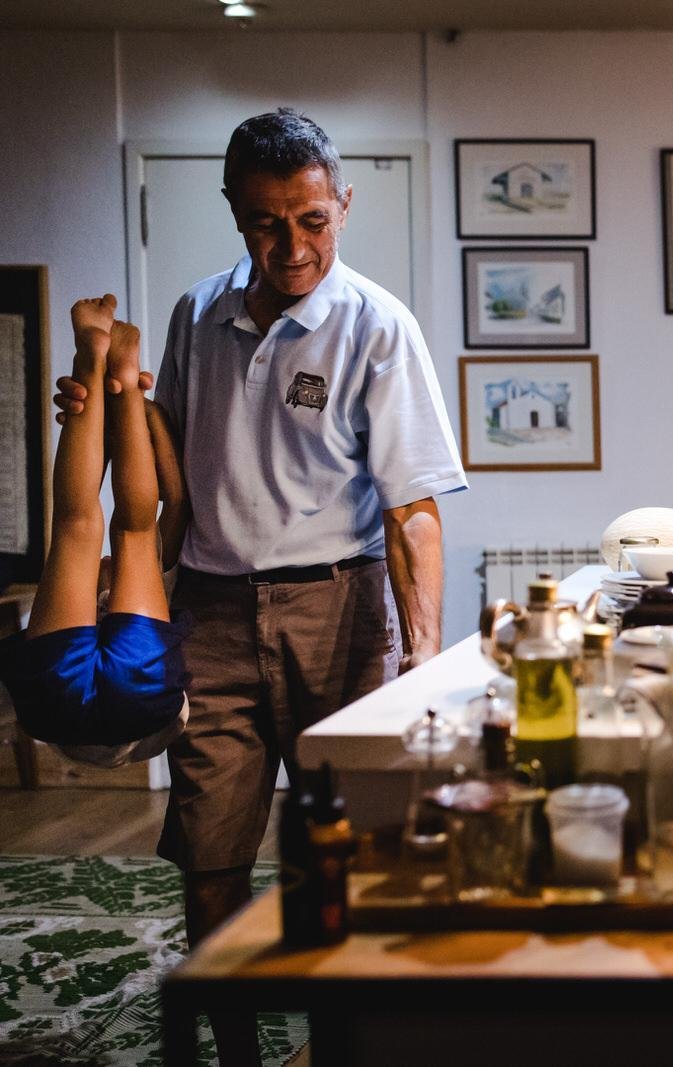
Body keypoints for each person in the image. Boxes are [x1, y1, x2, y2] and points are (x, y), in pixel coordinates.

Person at [55, 109, 466, 1064]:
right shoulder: (197, 313)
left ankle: (339, 1045)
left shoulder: (377, 325)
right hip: (213, 615)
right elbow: (173, 463)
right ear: (235, 212)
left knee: (339, 855)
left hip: (339, 611)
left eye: (312, 220)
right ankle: (235, 1050)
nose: (293, 247)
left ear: (344, 204)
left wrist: (423, 656)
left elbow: (412, 511)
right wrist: (109, 408)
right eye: (267, 223)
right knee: (209, 859)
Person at [1, 295, 188, 767]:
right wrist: (129, 403)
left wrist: (123, 399)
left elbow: (146, 513)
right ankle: (98, 361)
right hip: (65, 703)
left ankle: (109, 363)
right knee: (79, 525)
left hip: (142, 695)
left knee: (120, 531)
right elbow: (171, 501)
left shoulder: (151, 580)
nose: (105, 562)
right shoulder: (163, 571)